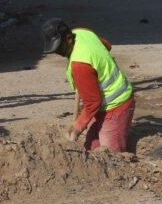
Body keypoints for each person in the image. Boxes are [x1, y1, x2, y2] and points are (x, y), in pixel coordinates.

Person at [42, 18, 135, 152]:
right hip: (102, 107)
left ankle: (122, 133)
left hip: (117, 105)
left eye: (58, 48)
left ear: (68, 38)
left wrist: (77, 127)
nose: (57, 52)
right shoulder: (82, 32)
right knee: (91, 150)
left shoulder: (80, 64)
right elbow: (107, 45)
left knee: (109, 156)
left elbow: (93, 102)